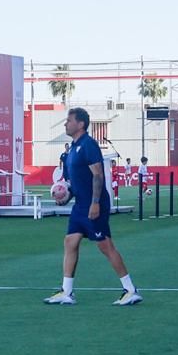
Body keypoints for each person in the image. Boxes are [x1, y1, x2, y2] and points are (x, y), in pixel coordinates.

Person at [46, 107, 140, 307]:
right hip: (80, 205)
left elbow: (98, 175)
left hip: (93, 204)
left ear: (80, 124)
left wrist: (95, 203)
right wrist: (66, 196)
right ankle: (67, 292)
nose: (65, 124)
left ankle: (130, 290)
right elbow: (74, 181)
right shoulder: (72, 148)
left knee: (105, 246)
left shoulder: (89, 145)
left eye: (69, 120)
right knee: (70, 242)